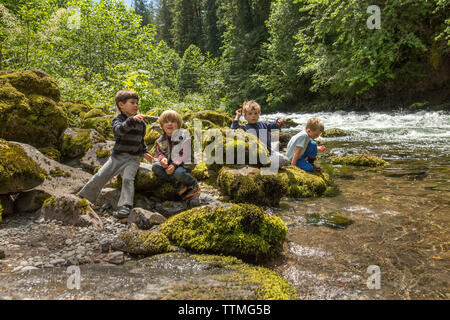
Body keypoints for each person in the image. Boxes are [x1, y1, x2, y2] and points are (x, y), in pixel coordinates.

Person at [78, 90, 153, 218]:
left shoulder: (141, 123)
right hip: (118, 156)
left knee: (128, 179)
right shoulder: (118, 120)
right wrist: (130, 121)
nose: (136, 105)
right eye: (132, 103)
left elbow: (140, 140)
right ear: (121, 105)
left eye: (137, 103)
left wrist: (145, 152)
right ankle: (84, 196)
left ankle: (126, 205)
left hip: (133, 158)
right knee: (102, 175)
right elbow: (118, 131)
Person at [152, 110, 200, 200]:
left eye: (173, 121)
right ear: (162, 126)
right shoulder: (160, 140)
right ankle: (177, 183)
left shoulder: (184, 137)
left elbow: (184, 154)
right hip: (170, 163)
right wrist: (162, 159)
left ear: (178, 125)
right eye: (166, 122)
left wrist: (174, 165)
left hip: (184, 164)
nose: (169, 124)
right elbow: (159, 152)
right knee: (155, 167)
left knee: (179, 172)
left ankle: (193, 184)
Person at [231, 100, 290, 167]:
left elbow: (274, 124)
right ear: (245, 116)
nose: (253, 116)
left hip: (269, 151)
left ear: (259, 114)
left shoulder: (264, 124)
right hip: (255, 154)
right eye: (250, 114)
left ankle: (268, 163)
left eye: (255, 113)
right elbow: (234, 130)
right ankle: (264, 163)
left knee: (286, 160)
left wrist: (278, 121)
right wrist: (237, 116)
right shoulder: (244, 127)